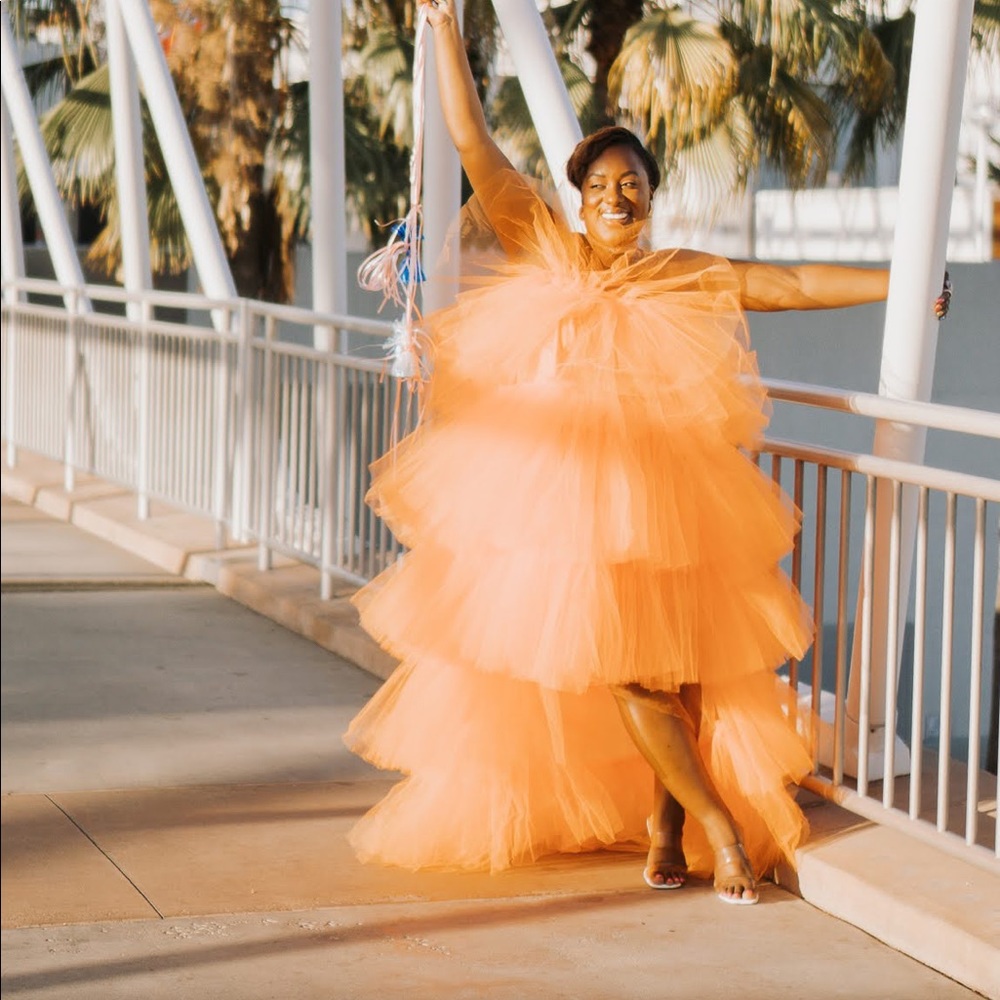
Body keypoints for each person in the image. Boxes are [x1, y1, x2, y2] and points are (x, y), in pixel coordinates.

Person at [344, 0, 952, 905]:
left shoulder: (680, 274)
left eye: (631, 185)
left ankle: (666, 826)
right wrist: (439, 28)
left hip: (675, 494)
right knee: (631, 669)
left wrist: (902, 288)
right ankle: (717, 831)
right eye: (599, 187)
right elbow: (474, 143)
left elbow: (781, 284)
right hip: (574, 505)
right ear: (578, 198)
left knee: (688, 667)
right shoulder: (543, 243)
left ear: (650, 196)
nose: (615, 198)